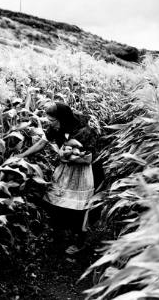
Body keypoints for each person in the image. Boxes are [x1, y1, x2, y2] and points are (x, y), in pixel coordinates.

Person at [16, 102, 98, 254]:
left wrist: (68, 159)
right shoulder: (57, 127)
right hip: (65, 169)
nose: (50, 124)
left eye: (52, 121)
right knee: (55, 200)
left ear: (63, 118)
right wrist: (21, 155)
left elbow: (88, 159)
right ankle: (60, 234)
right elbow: (42, 142)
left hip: (80, 173)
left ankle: (80, 242)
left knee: (78, 208)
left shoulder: (84, 131)